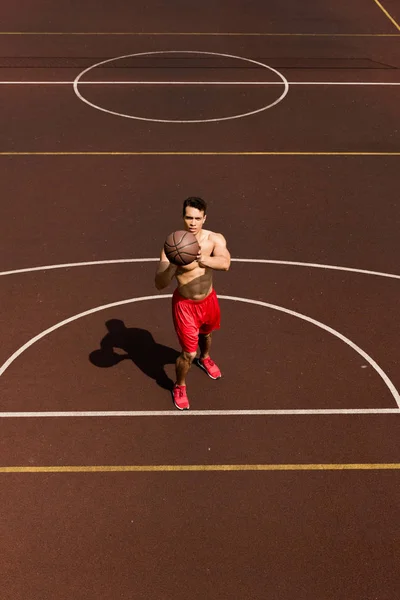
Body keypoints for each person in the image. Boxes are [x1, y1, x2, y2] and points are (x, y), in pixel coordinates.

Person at [155, 197, 231, 410]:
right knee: (188, 353)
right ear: (183, 217)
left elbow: (225, 263)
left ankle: (205, 358)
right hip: (185, 306)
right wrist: (173, 264)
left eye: (198, 218)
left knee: (206, 335)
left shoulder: (215, 239)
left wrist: (202, 260)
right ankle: (179, 385)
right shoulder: (172, 245)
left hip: (209, 300)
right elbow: (159, 283)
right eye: (189, 217)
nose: (193, 222)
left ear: (204, 218)